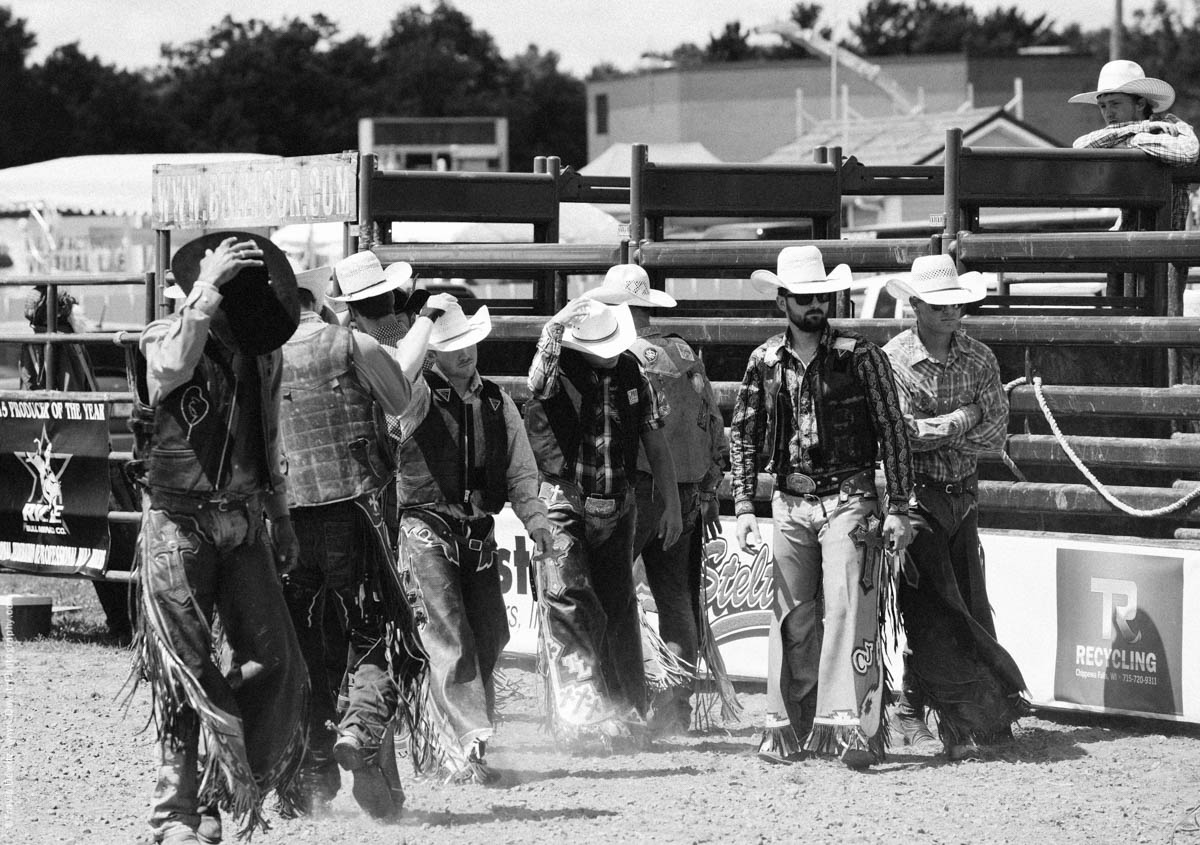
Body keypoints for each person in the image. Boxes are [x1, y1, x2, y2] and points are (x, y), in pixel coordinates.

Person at [131, 232, 307, 844]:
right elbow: (171, 368)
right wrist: (204, 291)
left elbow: (272, 438)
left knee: (278, 663)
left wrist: (279, 514)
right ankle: (175, 813)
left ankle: (212, 788)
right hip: (178, 523)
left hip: (243, 519)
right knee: (188, 670)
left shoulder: (264, 357)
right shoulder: (167, 335)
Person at [729, 245, 913, 770]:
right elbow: (744, 433)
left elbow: (891, 429)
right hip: (790, 500)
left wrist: (898, 505)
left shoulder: (861, 356)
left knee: (847, 609)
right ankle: (797, 723)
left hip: (849, 497)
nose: (816, 304)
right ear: (783, 300)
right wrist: (744, 507)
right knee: (794, 617)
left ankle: (854, 726)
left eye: (821, 296)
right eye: (805, 297)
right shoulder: (764, 361)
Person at [276, 265, 439, 818]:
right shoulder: (350, 343)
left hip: (290, 519)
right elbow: (397, 396)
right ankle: (362, 732)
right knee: (373, 634)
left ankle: (307, 775)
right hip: (356, 513)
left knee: (307, 647)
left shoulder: (262, 357)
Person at [391, 303, 557, 783]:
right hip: (424, 522)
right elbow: (392, 415)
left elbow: (521, 469)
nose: (464, 353)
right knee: (450, 634)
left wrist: (537, 519)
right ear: (434, 354)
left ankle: (459, 738)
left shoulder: (497, 402)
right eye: (451, 347)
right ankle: (465, 743)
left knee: (490, 633)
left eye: (467, 343)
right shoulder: (416, 394)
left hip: (477, 528)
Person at [881, 254, 1028, 762]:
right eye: (939, 304)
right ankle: (942, 711)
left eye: (955, 304)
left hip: (961, 497)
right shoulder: (892, 360)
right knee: (932, 607)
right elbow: (900, 437)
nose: (949, 312)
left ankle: (923, 707)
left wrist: (938, 429)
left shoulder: (980, 358)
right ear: (916, 304)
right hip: (915, 498)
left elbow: (995, 436)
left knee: (962, 603)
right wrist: (965, 418)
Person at [524, 298, 683, 747]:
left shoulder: (634, 372)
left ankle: (625, 705)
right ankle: (582, 711)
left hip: (618, 503)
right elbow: (536, 380)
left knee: (617, 606)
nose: (611, 352)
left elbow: (654, 439)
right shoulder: (558, 371)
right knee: (570, 601)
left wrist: (670, 501)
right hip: (564, 501)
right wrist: (553, 327)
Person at [581, 264, 729, 736]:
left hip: (632, 489)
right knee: (675, 597)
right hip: (684, 492)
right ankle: (675, 710)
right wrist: (706, 489)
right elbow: (712, 423)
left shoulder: (619, 354)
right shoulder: (683, 353)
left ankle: (617, 700)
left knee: (612, 594)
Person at [19, 285, 136, 642]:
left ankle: (123, 620)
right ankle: (123, 620)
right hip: (78, 446)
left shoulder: (53, 345)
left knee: (108, 533)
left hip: (76, 446)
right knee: (108, 532)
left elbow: (48, 395)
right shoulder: (57, 343)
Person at [1070, 59, 1199, 296]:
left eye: (1115, 104)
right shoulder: (1134, 133)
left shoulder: (1171, 127)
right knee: (1123, 312)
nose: (1108, 113)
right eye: (1103, 106)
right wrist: (1138, 131)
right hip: (1129, 244)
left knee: (1161, 313)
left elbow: (1186, 152)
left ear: (1140, 103)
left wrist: (1132, 139)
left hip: (1165, 245)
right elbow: (1079, 147)